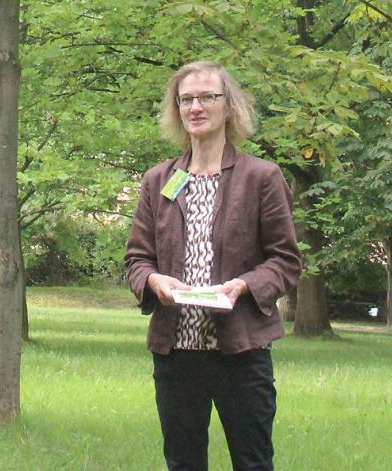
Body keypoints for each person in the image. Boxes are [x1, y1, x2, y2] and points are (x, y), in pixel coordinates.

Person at [124, 61, 302, 471]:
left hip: (241, 348)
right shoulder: (159, 180)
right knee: (183, 463)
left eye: (207, 97)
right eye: (186, 99)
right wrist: (152, 280)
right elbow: (137, 258)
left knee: (253, 462)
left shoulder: (261, 177)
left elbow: (286, 261)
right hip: (177, 350)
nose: (196, 107)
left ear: (229, 106)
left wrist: (243, 285)